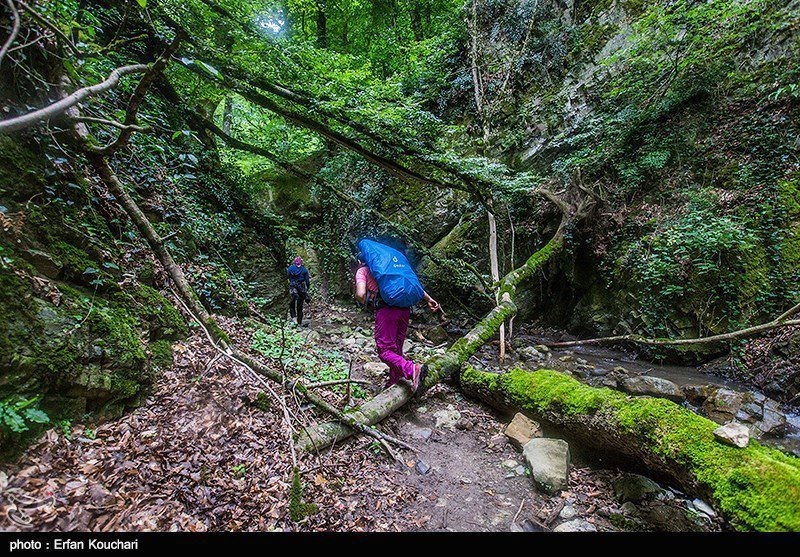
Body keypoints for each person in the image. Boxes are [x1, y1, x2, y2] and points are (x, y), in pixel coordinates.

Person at [354, 250, 440, 393]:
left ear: (359, 261)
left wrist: (363, 301)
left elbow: (360, 293)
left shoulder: (362, 270)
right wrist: (429, 299)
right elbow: (412, 284)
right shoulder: (388, 266)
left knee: (385, 351)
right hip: (405, 309)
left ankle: (412, 369)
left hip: (387, 311)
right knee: (397, 348)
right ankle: (395, 381)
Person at [286, 256, 310, 326]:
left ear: (294, 262)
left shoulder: (290, 268)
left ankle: (294, 319)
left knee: (292, 305)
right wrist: (307, 289)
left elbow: (286, 277)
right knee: (300, 306)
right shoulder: (304, 270)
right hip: (301, 289)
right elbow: (307, 282)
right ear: (301, 262)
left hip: (292, 288)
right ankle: (299, 323)